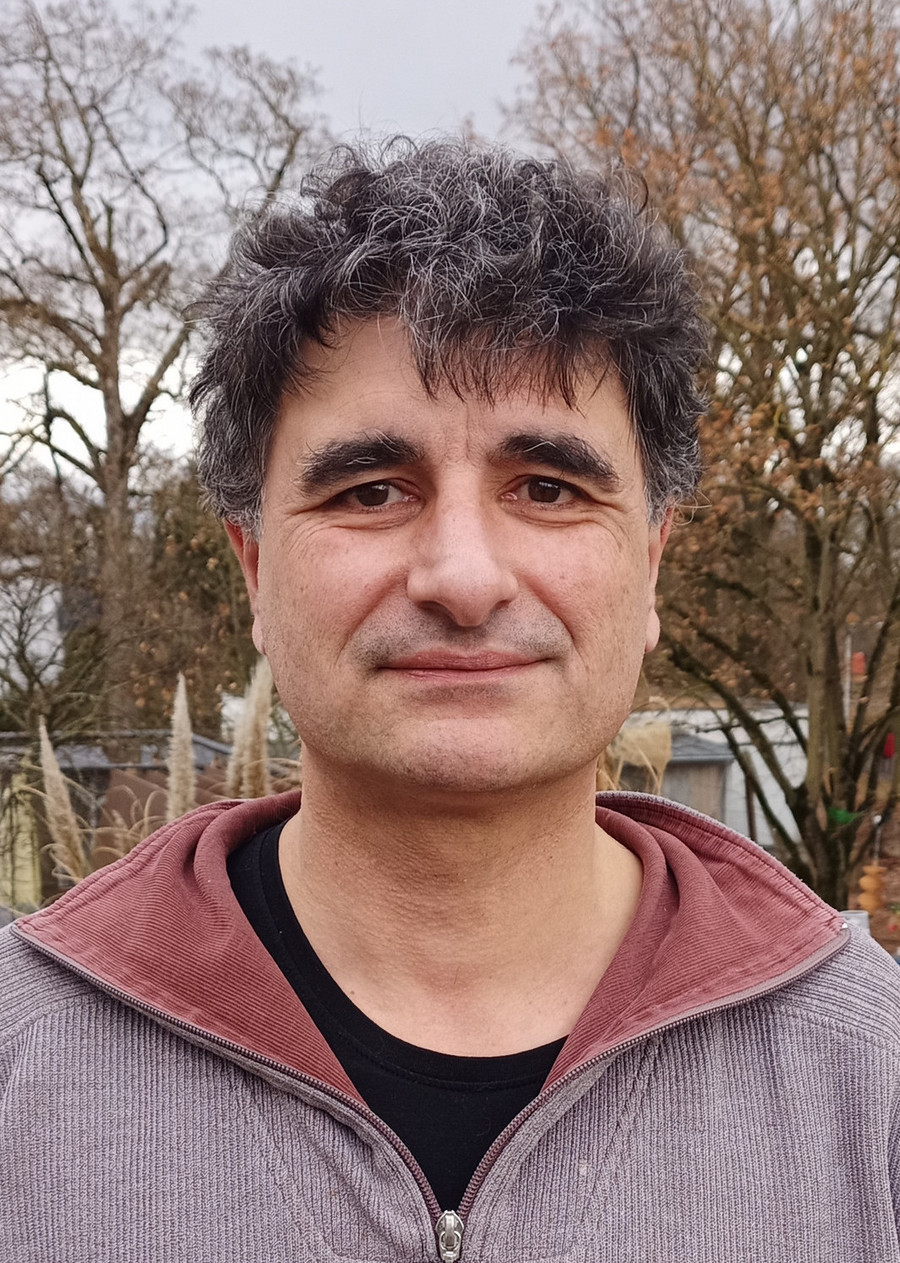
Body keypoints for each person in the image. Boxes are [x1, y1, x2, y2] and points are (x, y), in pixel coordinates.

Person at [2, 139, 899, 1263]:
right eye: (372, 490)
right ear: (255, 572)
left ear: (652, 564)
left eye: (548, 488)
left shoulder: (868, 1076)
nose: (464, 578)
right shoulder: (23, 1060)